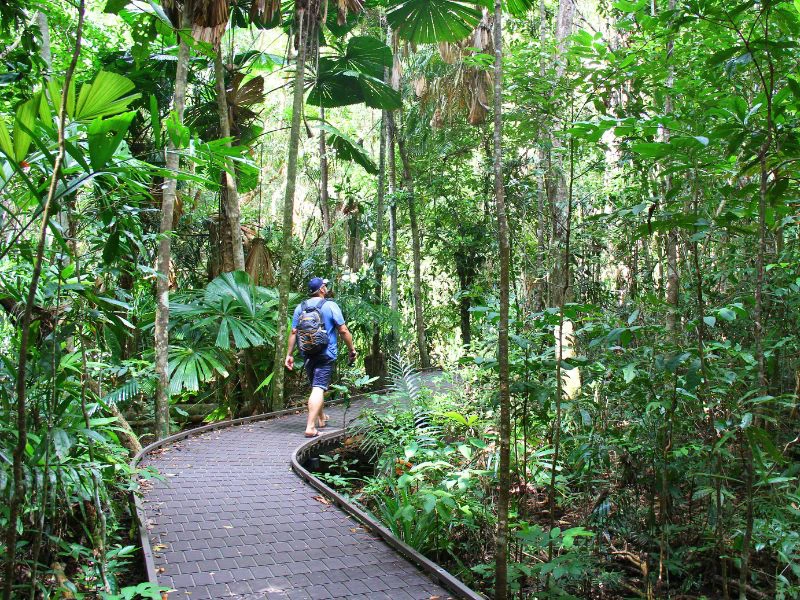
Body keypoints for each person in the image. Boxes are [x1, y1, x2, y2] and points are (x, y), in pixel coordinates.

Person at [284, 277, 356, 437]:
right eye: (325, 286)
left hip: (307, 353)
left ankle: (321, 417)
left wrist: (289, 354)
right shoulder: (330, 306)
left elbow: (294, 332)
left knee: (317, 385)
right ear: (322, 289)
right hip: (325, 353)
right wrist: (352, 349)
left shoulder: (300, 308)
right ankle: (310, 427)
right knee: (318, 387)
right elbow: (343, 330)